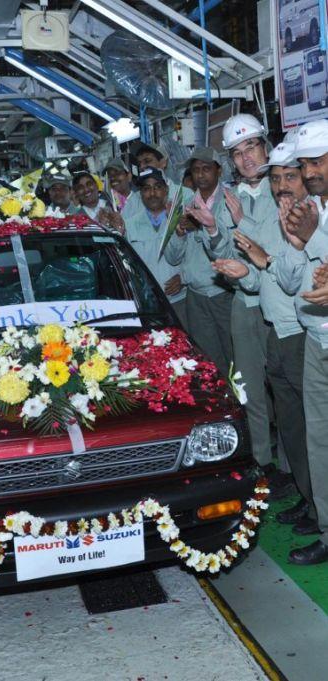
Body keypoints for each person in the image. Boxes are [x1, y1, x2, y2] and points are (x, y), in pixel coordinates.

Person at [212, 142, 315, 542]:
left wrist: (262, 262)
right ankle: (309, 499)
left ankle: (319, 507)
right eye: (276, 179)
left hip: (299, 333)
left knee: (310, 429)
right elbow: (262, 281)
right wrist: (243, 272)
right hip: (275, 330)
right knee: (292, 427)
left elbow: (291, 278)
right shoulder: (276, 217)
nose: (282, 186)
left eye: (290, 176)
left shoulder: (308, 219)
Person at [199, 114, 290, 494]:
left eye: (250, 147)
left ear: (264, 145)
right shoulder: (228, 197)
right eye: (237, 153)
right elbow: (221, 253)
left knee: (285, 389)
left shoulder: (283, 188)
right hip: (243, 300)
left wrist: (242, 223)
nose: (246, 158)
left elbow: (276, 251)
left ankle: (290, 465)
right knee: (250, 387)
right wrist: (214, 228)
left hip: (280, 299)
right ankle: (263, 462)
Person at [274, 120, 328, 565]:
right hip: (316, 337)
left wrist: (313, 238)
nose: (310, 171)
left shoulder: (316, 220)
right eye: (306, 163)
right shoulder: (307, 209)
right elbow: (292, 280)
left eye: (318, 162)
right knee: (319, 442)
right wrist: (294, 243)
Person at [164, 148, 233, 374]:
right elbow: (173, 257)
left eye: (206, 169)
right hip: (196, 296)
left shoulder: (231, 200)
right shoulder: (186, 205)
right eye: (196, 170)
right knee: (209, 361)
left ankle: (245, 407)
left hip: (223, 293)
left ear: (219, 170)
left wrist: (202, 227)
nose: (201, 175)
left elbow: (228, 251)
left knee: (236, 357)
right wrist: (180, 231)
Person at [124, 167, 187, 327]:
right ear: (140, 194)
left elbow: (195, 256)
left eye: (157, 187)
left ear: (166, 189)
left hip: (179, 300)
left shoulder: (182, 219)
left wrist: (184, 277)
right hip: (147, 304)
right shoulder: (129, 225)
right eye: (146, 188)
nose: (152, 193)